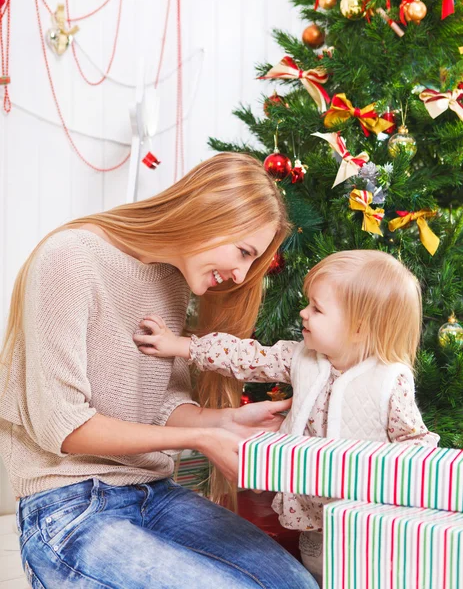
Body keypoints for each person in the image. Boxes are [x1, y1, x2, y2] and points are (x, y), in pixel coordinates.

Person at [0, 153, 319, 589]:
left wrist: (223, 420)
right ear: (209, 212)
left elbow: (159, 405)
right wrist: (201, 437)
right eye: (243, 252)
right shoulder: (70, 259)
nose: (241, 274)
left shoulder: (170, 280)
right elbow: (65, 426)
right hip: (67, 509)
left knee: (297, 585)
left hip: (154, 495)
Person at [134, 249, 440, 587]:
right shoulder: (301, 358)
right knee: (313, 576)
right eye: (308, 303)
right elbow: (246, 357)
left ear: (359, 327)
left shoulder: (388, 380)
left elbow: (416, 446)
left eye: (317, 309)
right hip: (311, 518)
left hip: (363, 524)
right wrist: (181, 347)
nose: (304, 313)